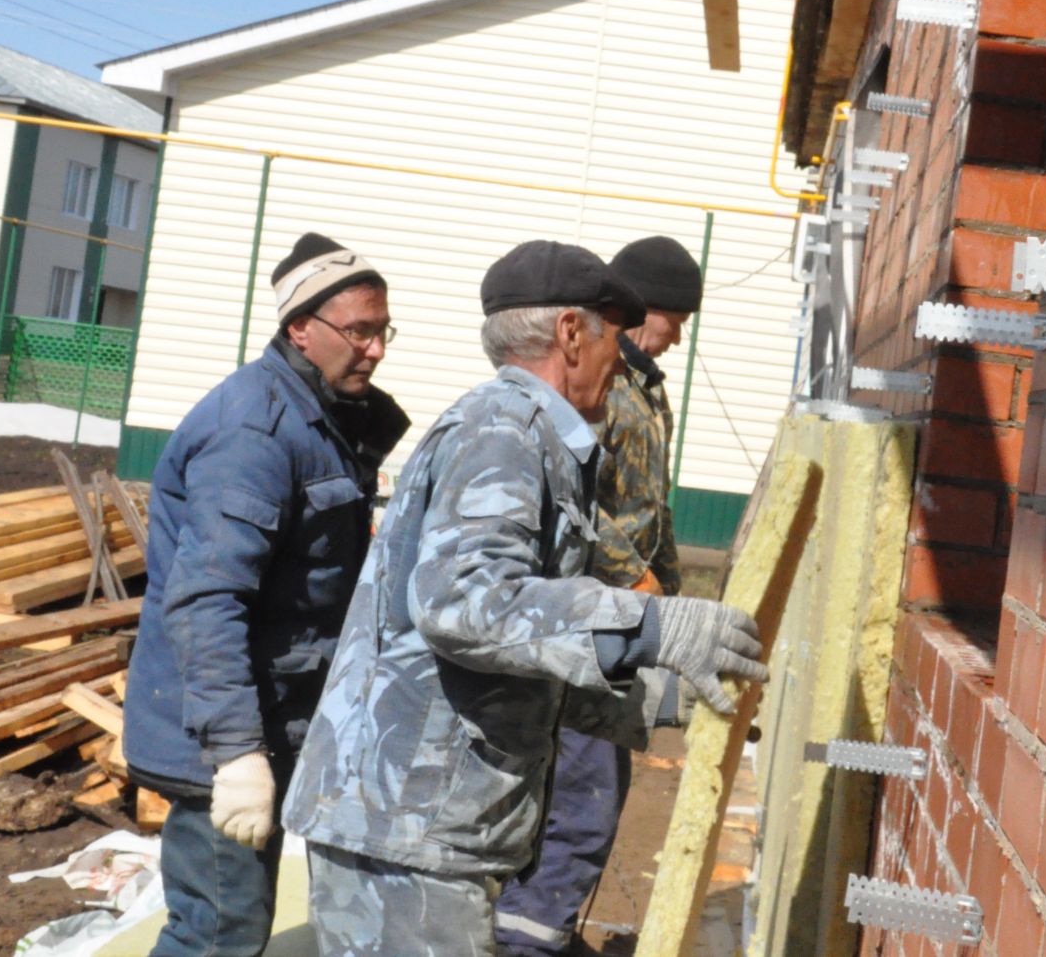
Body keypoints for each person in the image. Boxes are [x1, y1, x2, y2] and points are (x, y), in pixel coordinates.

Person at [283, 241, 766, 957]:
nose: (621, 358)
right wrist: (649, 623)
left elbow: (512, 650)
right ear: (571, 332)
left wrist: (653, 695)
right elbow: (466, 605)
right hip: (407, 825)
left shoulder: (533, 433)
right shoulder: (505, 431)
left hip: (424, 819)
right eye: (611, 335)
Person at [124, 232, 410, 957]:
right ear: (299, 329)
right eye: (359, 331)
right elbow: (206, 600)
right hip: (217, 736)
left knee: (231, 926)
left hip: (275, 718)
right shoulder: (254, 431)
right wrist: (237, 755)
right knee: (218, 932)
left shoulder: (323, 419)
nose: (375, 349)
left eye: (383, 331)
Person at [494, 235, 700, 956]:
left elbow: (652, 510)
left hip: (622, 620)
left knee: (592, 794)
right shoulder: (591, 391)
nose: (677, 337)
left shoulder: (643, 391)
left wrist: (668, 597)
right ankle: (527, 938)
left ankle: (542, 930)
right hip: (584, 621)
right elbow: (580, 507)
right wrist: (635, 587)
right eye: (676, 320)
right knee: (581, 799)